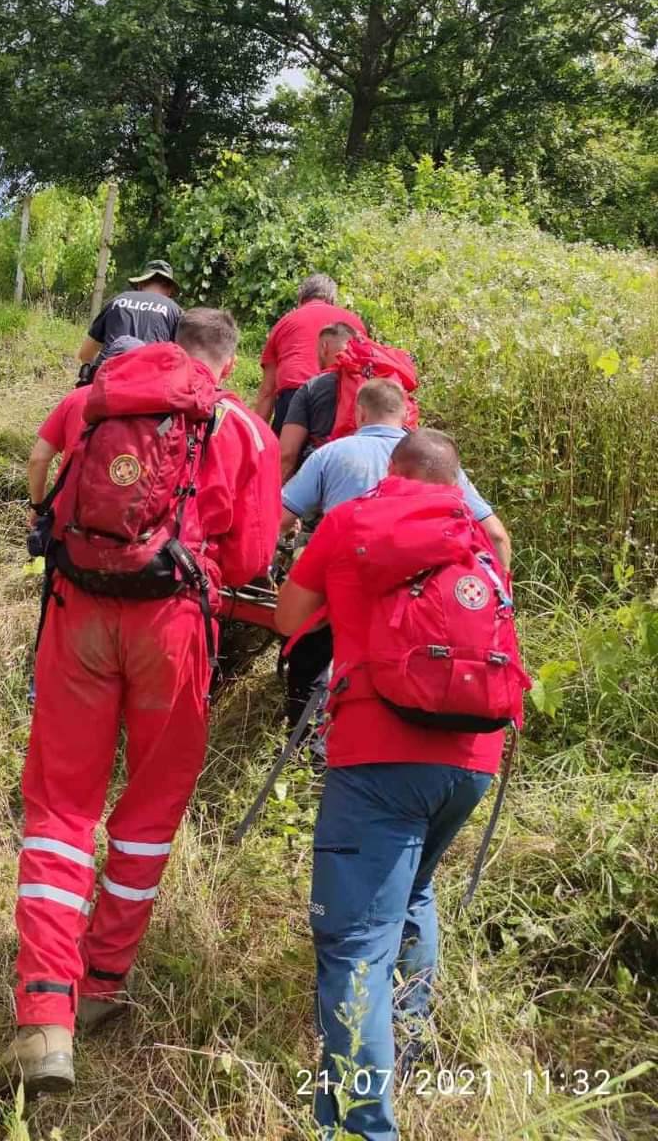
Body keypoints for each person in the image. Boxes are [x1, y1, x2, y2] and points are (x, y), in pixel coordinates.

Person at [2, 309, 280, 1098]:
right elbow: (255, 556)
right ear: (225, 363)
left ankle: (45, 1015)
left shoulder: (99, 396)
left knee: (59, 807)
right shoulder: (242, 428)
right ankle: (101, 984)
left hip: (78, 614)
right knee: (150, 810)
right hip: (175, 628)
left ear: (166, 345)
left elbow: (51, 497)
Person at [276, 429, 517, 1141]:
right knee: (414, 893)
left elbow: (289, 616)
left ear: (392, 470)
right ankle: (405, 1045)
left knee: (354, 944)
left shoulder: (355, 522)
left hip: (379, 759)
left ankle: (358, 1126)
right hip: (474, 758)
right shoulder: (473, 533)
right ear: (454, 481)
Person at [281, 378, 511, 568]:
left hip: (346, 589)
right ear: (404, 416)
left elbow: (281, 518)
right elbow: (496, 535)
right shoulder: (434, 457)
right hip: (417, 593)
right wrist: (501, 597)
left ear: (360, 414)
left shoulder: (329, 454)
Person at [27, 337, 146, 526]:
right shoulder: (154, 411)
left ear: (104, 364)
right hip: (125, 526)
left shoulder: (77, 398)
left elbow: (38, 459)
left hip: (67, 518)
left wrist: (37, 506)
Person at [255, 274, 367, 433]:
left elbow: (268, 391)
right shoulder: (354, 322)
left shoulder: (285, 322)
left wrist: (255, 437)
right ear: (332, 299)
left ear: (301, 299)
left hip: (293, 394)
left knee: (285, 455)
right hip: (339, 397)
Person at [77, 259, 182, 380]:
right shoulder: (175, 311)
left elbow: (85, 354)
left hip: (107, 381)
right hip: (149, 385)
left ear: (140, 284)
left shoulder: (118, 301)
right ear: (169, 290)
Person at [278, 322, 359, 479]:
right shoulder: (376, 383)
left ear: (324, 347)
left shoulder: (312, 387)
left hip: (321, 478)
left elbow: (287, 454)